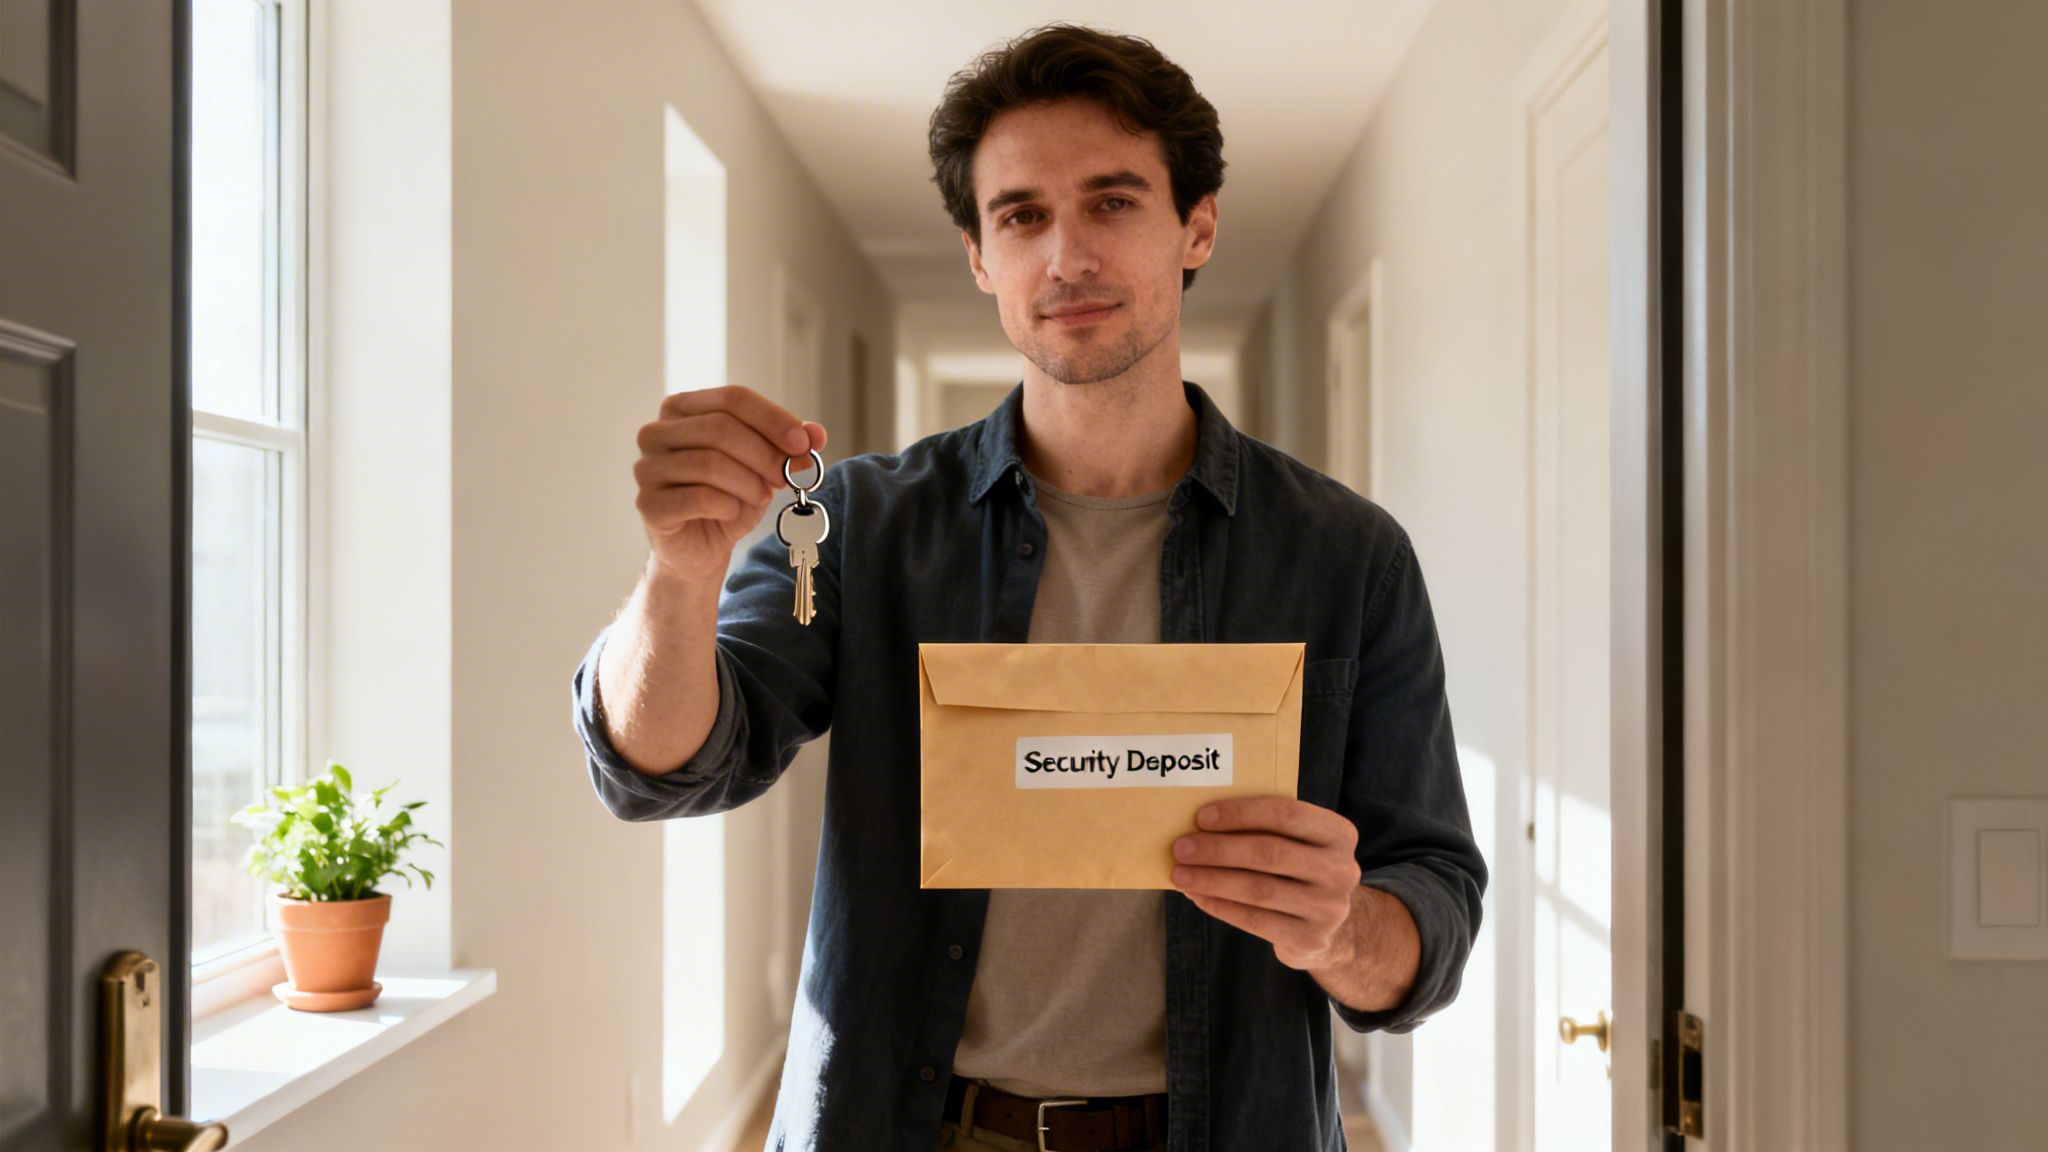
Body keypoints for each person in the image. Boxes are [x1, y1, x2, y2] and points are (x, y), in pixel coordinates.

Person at [574, 24, 1485, 1152]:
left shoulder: (1347, 556)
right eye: (1021, 216)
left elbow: (1432, 901)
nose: (1066, 257)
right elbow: (659, 771)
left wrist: (1341, 928)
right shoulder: (859, 526)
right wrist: (681, 569)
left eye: (1111, 203)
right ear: (977, 256)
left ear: (1195, 225)